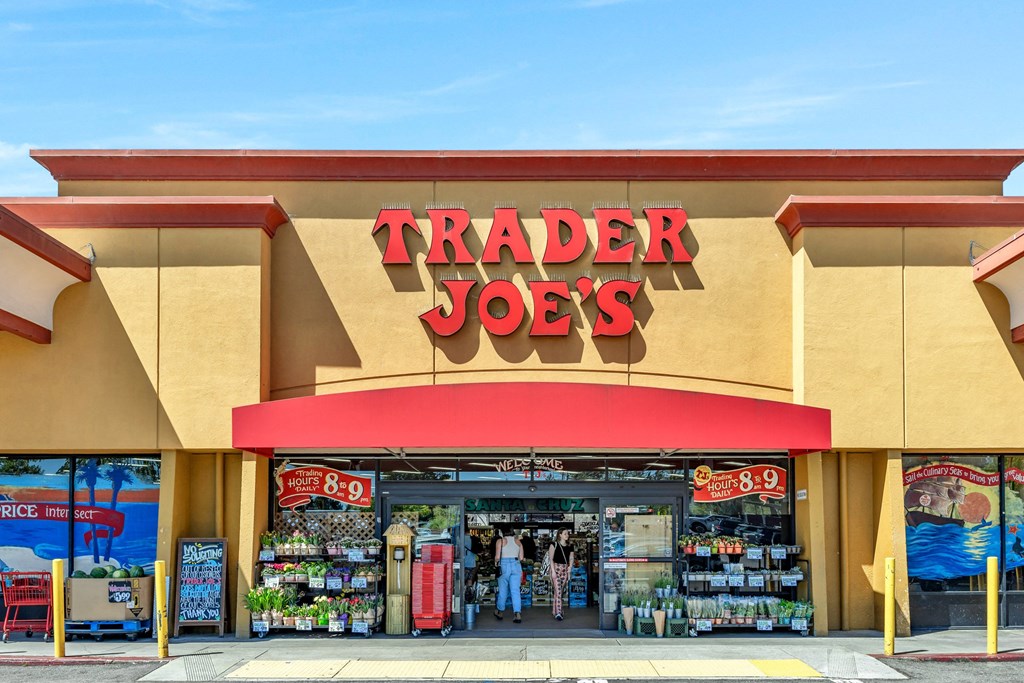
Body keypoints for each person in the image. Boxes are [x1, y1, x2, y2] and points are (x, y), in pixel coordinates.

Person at [492, 524, 524, 623]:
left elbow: (497, 557)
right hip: (516, 565)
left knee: (503, 591)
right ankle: (517, 614)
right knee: (515, 591)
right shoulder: (518, 541)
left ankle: (500, 612)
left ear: (503, 531)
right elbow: (521, 558)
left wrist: (495, 562)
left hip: (504, 566)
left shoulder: (500, 541)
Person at [547, 527, 575, 620]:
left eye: (567, 533)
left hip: (565, 569)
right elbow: (551, 559)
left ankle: (555, 610)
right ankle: (559, 612)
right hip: (555, 568)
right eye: (565, 533)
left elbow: (571, 557)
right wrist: (553, 571)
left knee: (559, 591)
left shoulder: (570, 546)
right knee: (558, 591)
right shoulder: (553, 544)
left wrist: (570, 567)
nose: (567, 535)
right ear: (560, 535)